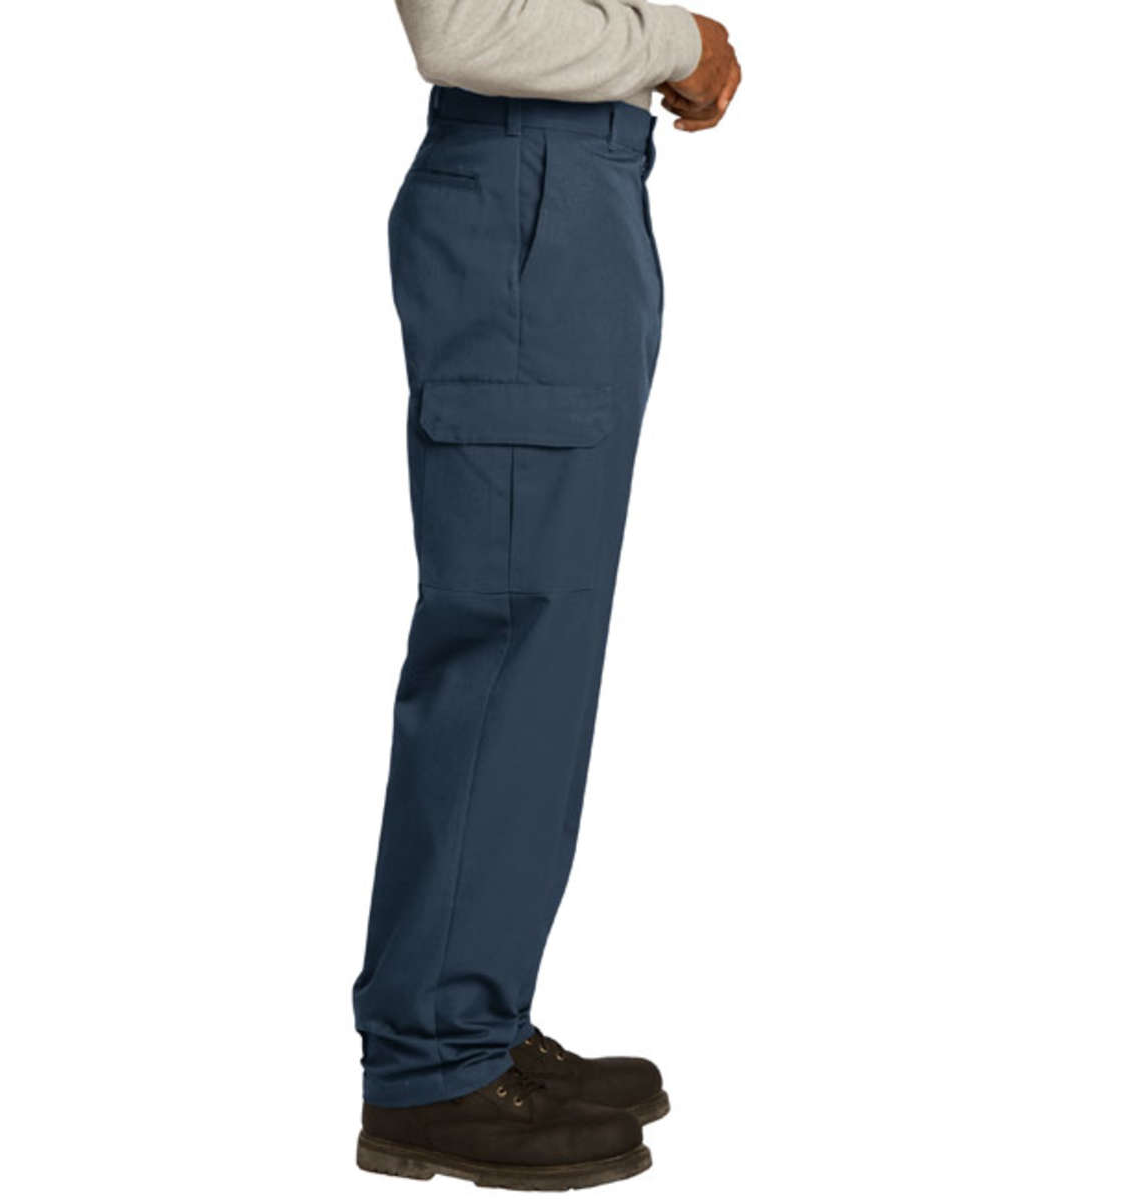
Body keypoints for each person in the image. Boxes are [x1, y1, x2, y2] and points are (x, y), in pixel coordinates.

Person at [354, 1, 740, 1188]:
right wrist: (676, 44)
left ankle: (474, 1016)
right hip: (528, 185)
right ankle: (435, 1061)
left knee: (541, 652)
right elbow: (464, 29)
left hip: (569, 186)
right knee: (510, 640)